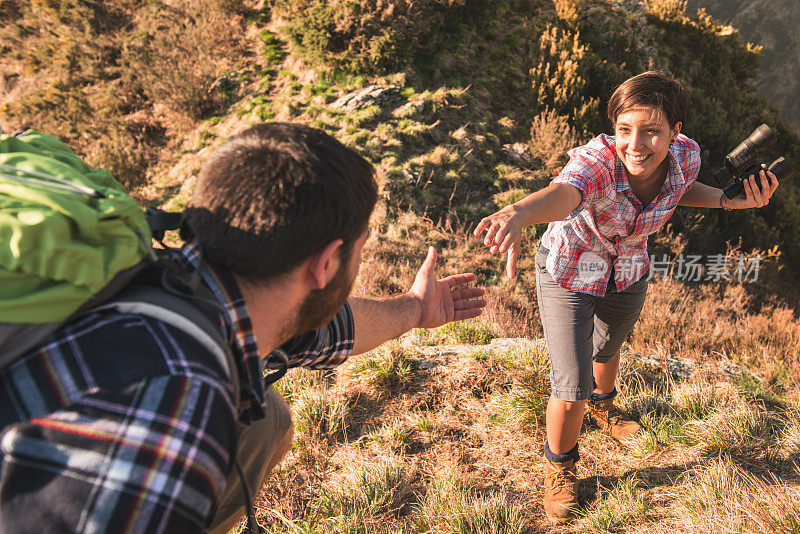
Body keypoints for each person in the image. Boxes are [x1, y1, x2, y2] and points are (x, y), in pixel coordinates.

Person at [0, 122, 486, 533]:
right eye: (359, 252)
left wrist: (416, 309)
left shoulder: (179, 279)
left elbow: (320, 329)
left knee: (265, 420)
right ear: (326, 265)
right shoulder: (178, 400)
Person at [474, 71, 779, 525]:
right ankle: (560, 467)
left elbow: (679, 191)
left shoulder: (686, 156)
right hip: (569, 272)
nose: (635, 143)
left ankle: (604, 406)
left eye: (651, 131)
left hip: (628, 269)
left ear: (675, 132)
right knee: (570, 385)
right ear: (613, 128)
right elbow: (563, 193)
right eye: (624, 129)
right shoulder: (598, 162)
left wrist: (733, 202)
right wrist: (520, 211)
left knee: (609, 347)